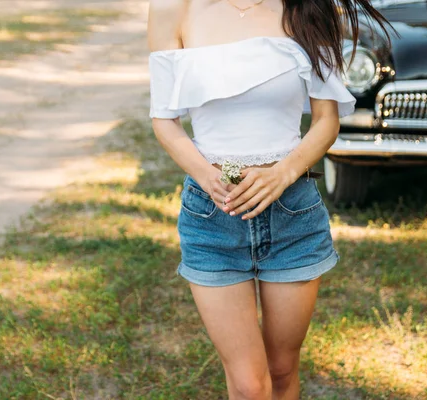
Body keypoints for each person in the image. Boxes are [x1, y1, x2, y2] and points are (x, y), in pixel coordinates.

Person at [148, 1, 390, 398]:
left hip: (292, 213)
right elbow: (164, 121)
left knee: (281, 369)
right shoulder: (174, 10)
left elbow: (326, 119)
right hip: (214, 213)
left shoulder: (309, 8)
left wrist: (283, 173)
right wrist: (208, 176)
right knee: (248, 384)